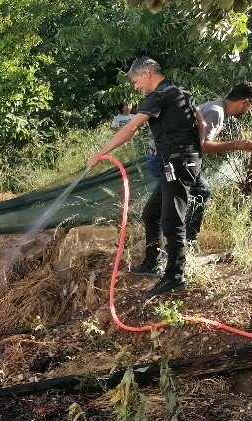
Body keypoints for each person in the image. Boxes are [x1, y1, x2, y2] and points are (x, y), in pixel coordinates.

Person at [87, 57, 204, 297]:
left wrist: (101, 153)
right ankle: (152, 263)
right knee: (151, 214)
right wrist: (197, 149)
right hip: (179, 160)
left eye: (135, 80)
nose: (135, 86)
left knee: (173, 221)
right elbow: (200, 122)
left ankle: (175, 276)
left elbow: (131, 128)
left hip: (177, 161)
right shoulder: (181, 91)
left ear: (148, 73)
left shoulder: (160, 95)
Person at [189, 82, 252, 246]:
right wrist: (237, 145)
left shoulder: (215, 107)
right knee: (201, 192)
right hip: (170, 160)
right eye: (251, 106)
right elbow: (203, 146)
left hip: (174, 158)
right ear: (245, 102)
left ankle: (182, 242)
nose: (248, 111)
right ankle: (188, 242)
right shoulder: (216, 112)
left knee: (192, 194)